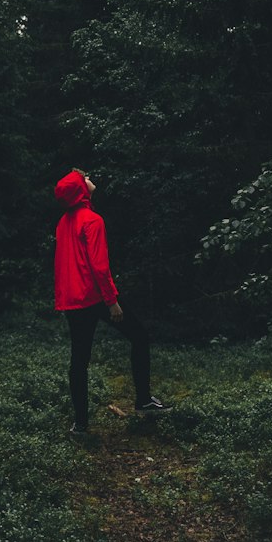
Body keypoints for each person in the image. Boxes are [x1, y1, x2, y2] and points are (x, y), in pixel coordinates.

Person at [53, 167, 170, 434]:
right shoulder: (92, 220)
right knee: (140, 336)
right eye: (85, 178)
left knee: (79, 360)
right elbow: (100, 267)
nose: (90, 179)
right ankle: (143, 401)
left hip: (73, 301)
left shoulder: (64, 222)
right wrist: (112, 301)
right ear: (81, 189)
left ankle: (80, 424)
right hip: (94, 297)